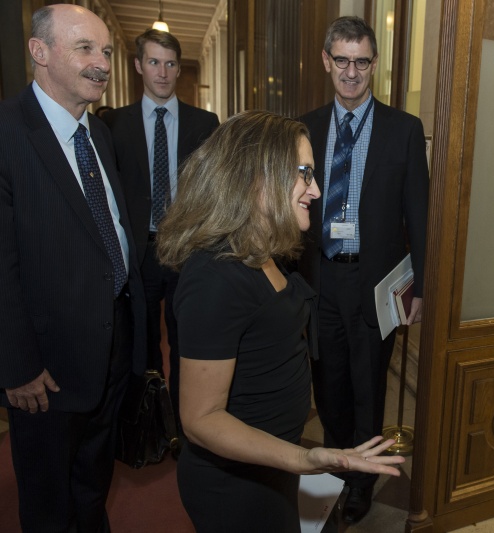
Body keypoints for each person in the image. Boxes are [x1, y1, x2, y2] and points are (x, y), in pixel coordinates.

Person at [156, 110, 405, 532]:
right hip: (234, 485)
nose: (317, 189)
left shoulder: (262, 252)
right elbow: (201, 420)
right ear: (257, 175)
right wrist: (304, 459)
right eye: (305, 173)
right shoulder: (215, 277)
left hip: (268, 468)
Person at [0, 4, 146, 531]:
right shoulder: (8, 133)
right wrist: (15, 365)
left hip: (110, 349)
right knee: (46, 502)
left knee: (92, 484)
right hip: (46, 369)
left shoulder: (97, 135)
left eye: (106, 51)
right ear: (39, 52)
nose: (102, 63)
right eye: (85, 48)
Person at [296, 16, 429, 523]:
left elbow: (418, 216)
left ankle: (361, 482)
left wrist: (420, 291)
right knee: (327, 383)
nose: (352, 72)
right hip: (320, 279)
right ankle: (335, 465)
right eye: (343, 61)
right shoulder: (305, 128)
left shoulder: (403, 130)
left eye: (362, 62)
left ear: (375, 64)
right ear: (328, 62)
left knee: (369, 383)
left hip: (377, 284)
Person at [103, 29, 219, 438]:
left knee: (189, 338)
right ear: (138, 66)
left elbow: (213, 189)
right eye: (154, 62)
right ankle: (150, 423)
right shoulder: (113, 124)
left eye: (170, 63)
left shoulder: (206, 124)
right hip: (138, 250)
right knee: (143, 339)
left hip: (187, 250)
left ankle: (189, 424)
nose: (163, 72)